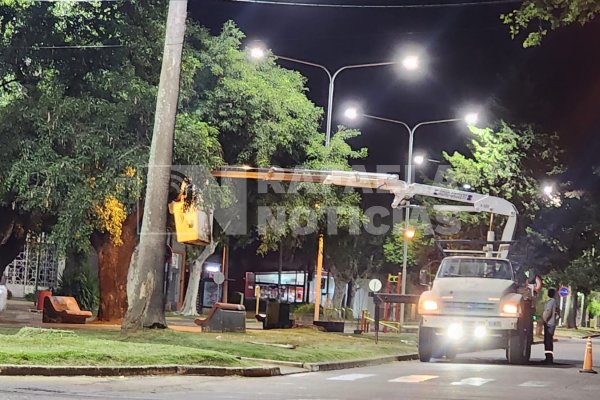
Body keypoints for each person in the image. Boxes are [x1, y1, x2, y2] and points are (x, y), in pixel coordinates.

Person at [542, 288, 559, 364]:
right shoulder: (555, 302)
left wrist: (544, 320)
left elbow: (548, 312)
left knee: (547, 341)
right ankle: (549, 357)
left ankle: (548, 358)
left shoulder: (550, 302)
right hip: (552, 323)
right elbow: (558, 312)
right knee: (549, 340)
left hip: (549, 324)